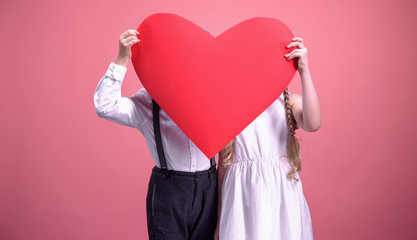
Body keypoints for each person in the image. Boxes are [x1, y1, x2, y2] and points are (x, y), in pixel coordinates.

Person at [94, 29, 218, 240]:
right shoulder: (149, 100)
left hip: (210, 186)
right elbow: (105, 106)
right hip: (169, 191)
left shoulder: (217, 95)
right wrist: (122, 59)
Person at [215, 37, 321, 240]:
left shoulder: (288, 101)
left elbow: (313, 123)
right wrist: (220, 218)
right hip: (240, 194)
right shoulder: (229, 106)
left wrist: (304, 71)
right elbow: (223, 165)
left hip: (279, 192)